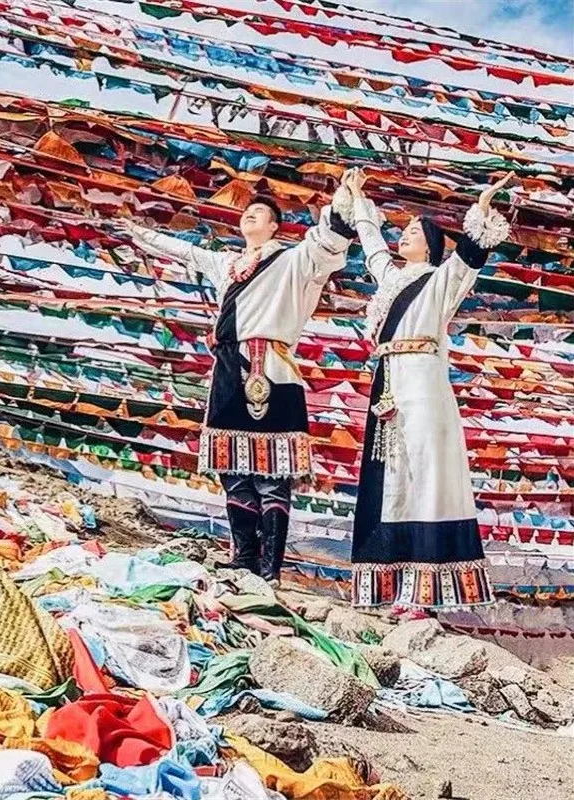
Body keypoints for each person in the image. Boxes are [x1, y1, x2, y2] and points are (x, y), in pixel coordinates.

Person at [118, 191, 356, 585]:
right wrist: (139, 233)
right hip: (228, 366)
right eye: (246, 212)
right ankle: (245, 556)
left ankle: (271, 568)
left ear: (275, 226)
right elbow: (186, 252)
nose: (249, 215)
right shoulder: (227, 264)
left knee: (274, 472)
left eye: (259, 212)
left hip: (274, 366)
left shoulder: (292, 260)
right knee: (231, 467)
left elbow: (328, 242)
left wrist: (345, 200)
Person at [340, 167, 514, 612]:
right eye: (406, 229)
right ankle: (394, 584)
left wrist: (481, 205)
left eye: (416, 231)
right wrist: (358, 199)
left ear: (433, 246)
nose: (406, 235)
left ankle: (423, 592)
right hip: (390, 380)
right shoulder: (392, 279)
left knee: (425, 479)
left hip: (422, 381)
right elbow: (373, 245)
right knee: (393, 479)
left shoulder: (441, 281)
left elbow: (471, 255)